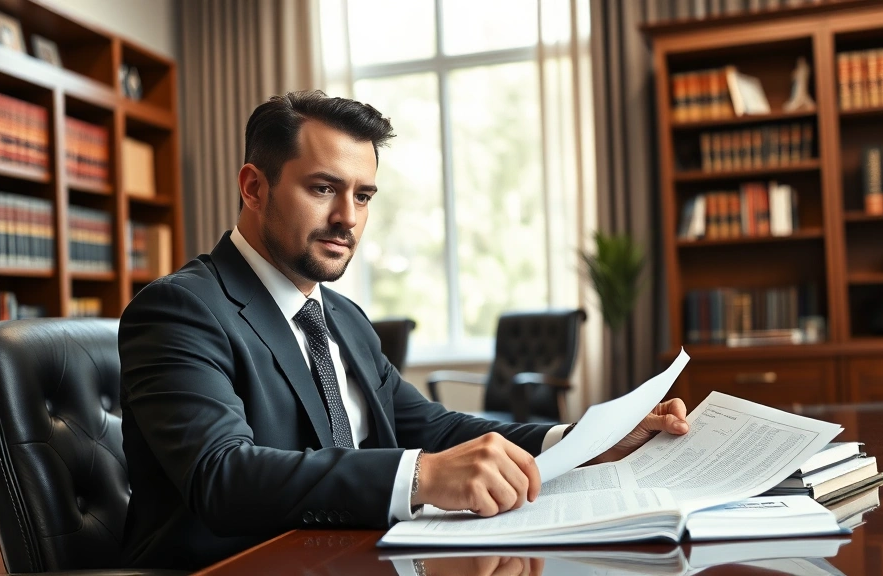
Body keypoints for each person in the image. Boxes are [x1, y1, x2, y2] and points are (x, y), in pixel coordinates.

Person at [118, 90, 690, 570]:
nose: (348, 216)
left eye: (363, 195)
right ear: (254, 187)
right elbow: (224, 476)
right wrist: (422, 475)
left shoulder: (342, 318)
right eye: (323, 189)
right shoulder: (179, 309)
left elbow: (434, 427)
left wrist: (584, 442)